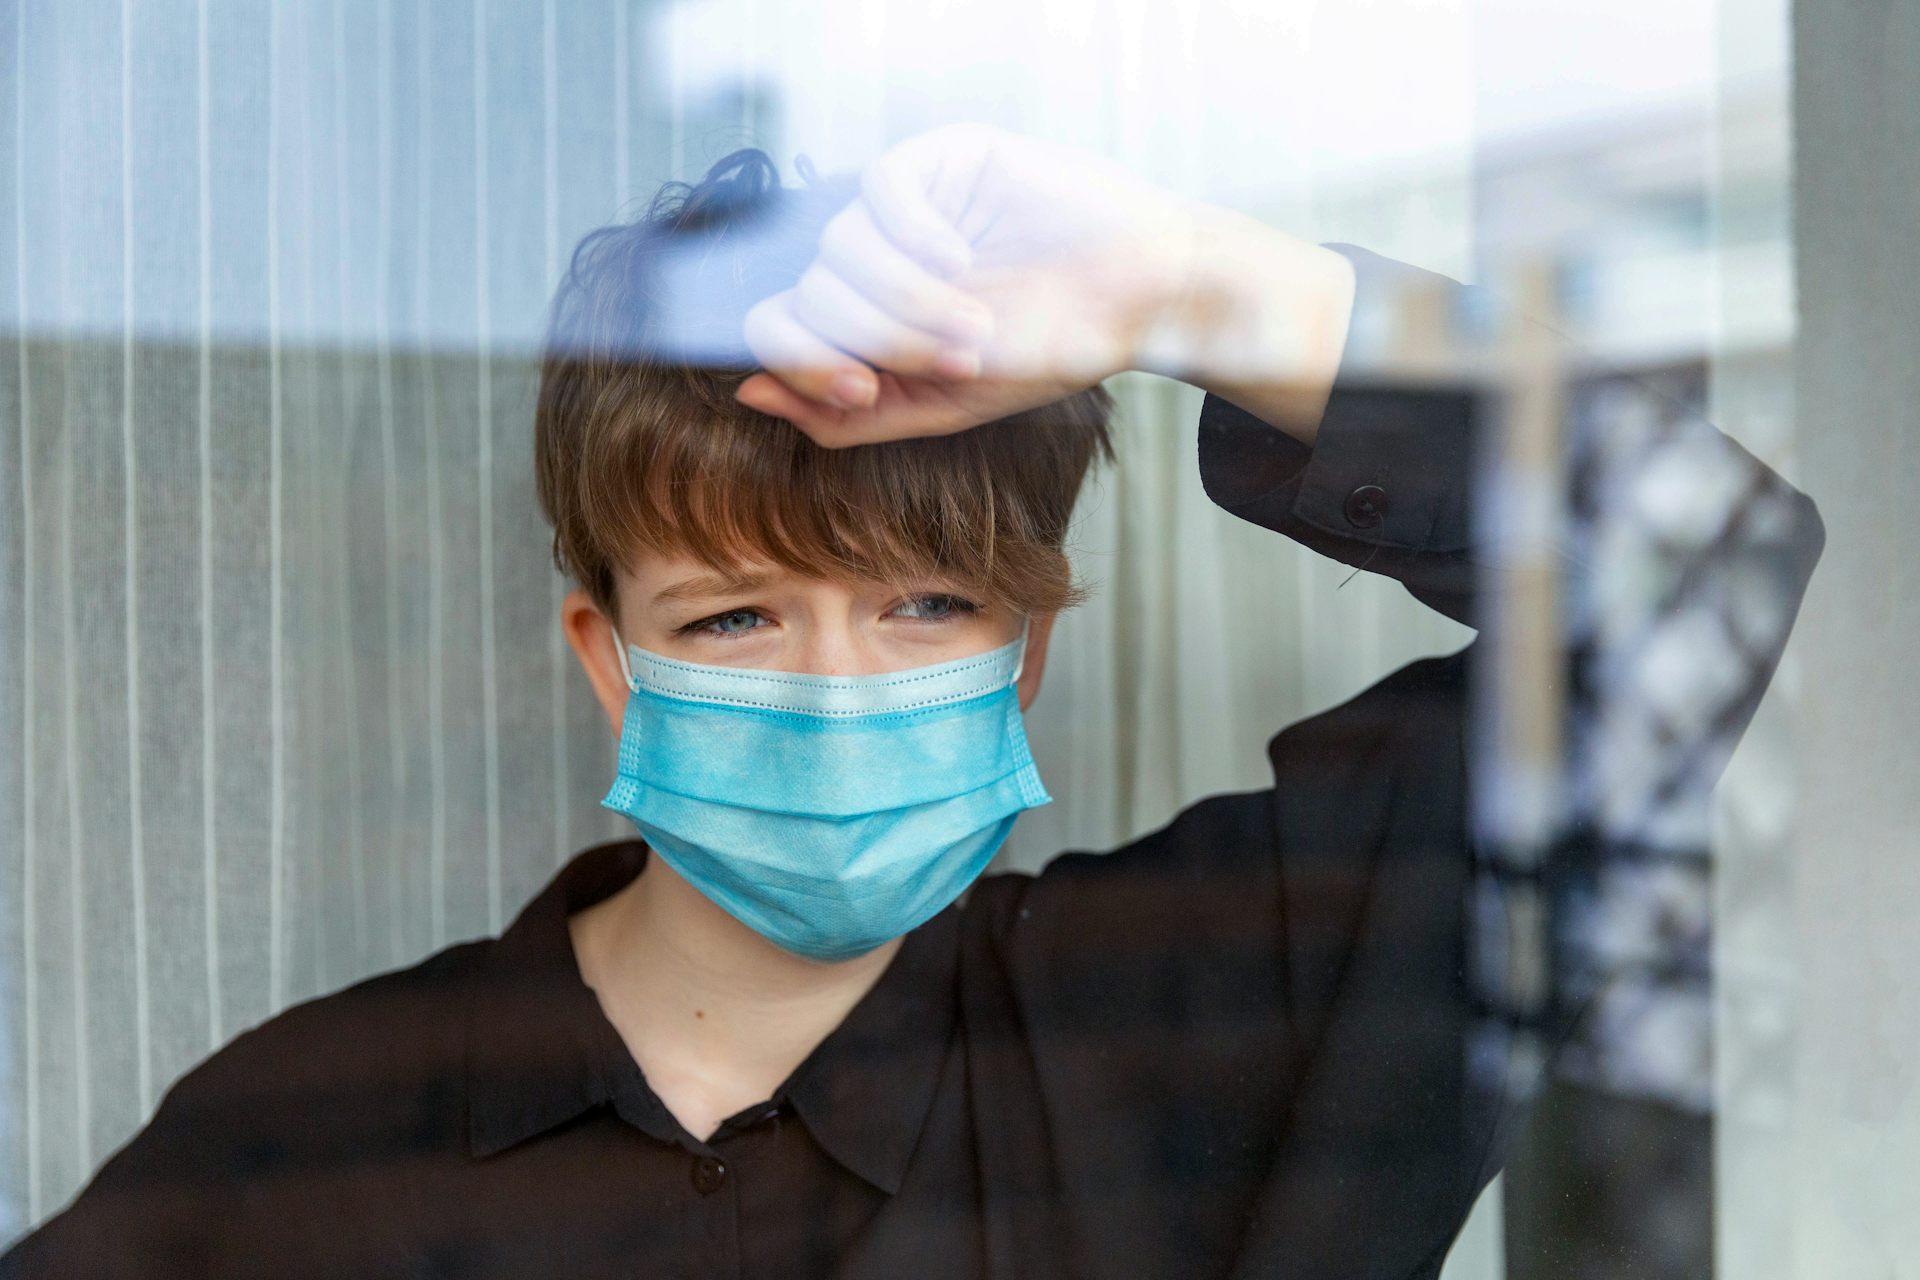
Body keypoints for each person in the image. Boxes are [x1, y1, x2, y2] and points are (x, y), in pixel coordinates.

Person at [0, 124, 1822, 1279]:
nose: (835, 686)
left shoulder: (1217, 1021)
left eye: (926, 605)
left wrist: (1188, 288)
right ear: (604, 658)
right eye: (733, 617)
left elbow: (1702, 559)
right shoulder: (299, 1143)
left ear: (1026, 656)